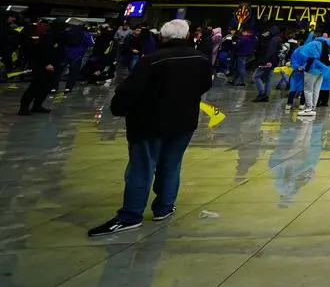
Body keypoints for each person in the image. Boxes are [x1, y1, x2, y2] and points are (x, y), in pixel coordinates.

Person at [87, 19, 213, 236]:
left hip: (149, 123)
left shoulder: (152, 60)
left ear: (162, 37)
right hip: (183, 122)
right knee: (171, 165)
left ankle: (130, 216)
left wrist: (118, 108)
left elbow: (130, 91)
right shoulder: (200, 58)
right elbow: (205, 85)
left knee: (141, 168)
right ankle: (164, 207)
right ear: (186, 36)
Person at [18, 25, 63, 115]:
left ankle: (37, 106)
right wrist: (46, 63)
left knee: (45, 87)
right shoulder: (45, 38)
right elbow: (39, 52)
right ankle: (24, 108)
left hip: (49, 65)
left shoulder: (50, 37)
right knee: (35, 86)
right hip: (41, 66)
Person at [291, 32, 326, 117]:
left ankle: (308, 109)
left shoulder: (311, 44)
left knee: (308, 90)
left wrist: (303, 67)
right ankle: (313, 108)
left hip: (312, 70)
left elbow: (309, 58)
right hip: (321, 70)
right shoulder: (324, 44)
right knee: (316, 90)